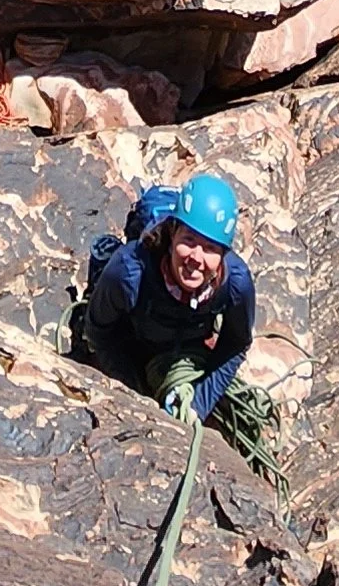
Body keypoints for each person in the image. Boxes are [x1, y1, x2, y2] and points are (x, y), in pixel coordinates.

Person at [80, 171, 255, 423]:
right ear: (172, 236)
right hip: (132, 340)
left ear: (223, 254)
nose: (196, 257)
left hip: (187, 345)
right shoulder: (129, 272)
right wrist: (137, 393)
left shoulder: (236, 284)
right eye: (189, 240)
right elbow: (100, 332)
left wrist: (197, 405)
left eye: (210, 248)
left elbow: (236, 345)